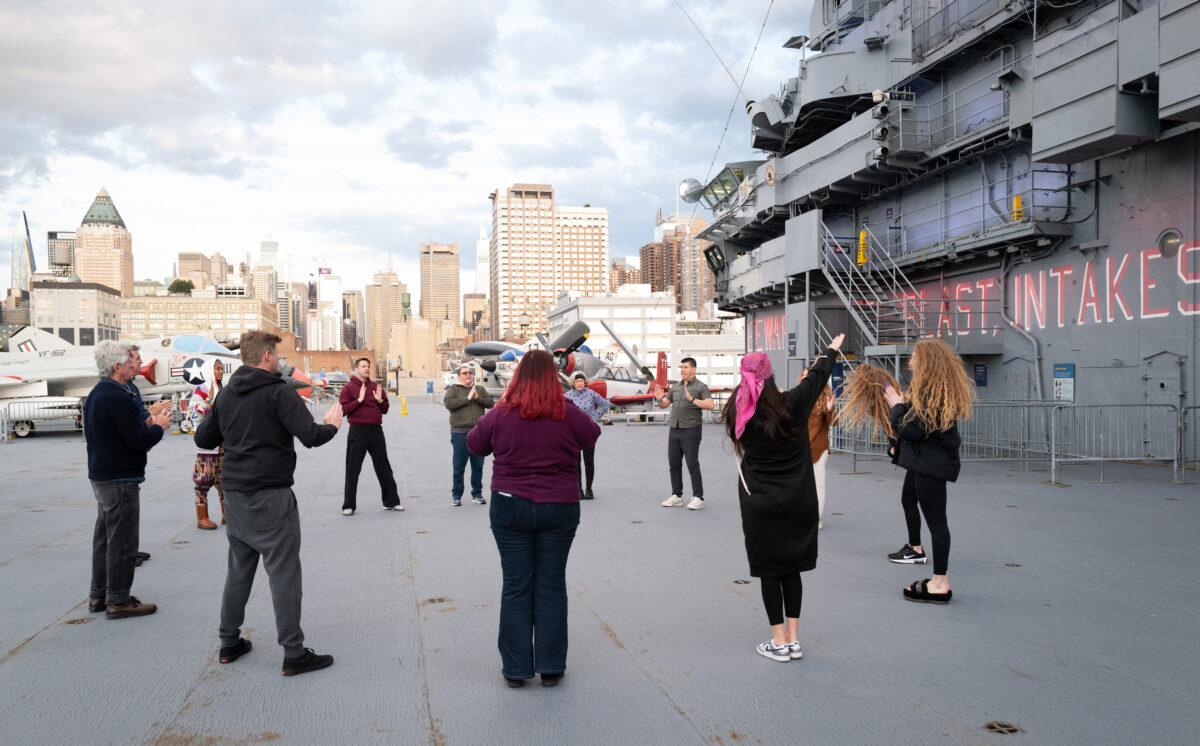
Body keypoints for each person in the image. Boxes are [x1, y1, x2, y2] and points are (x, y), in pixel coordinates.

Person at [195, 331, 344, 676]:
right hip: (271, 497)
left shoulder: (227, 394)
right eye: (276, 354)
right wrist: (331, 426)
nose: (279, 359)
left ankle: (229, 642)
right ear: (265, 356)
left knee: (238, 570)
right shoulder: (279, 392)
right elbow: (310, 437)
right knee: (284, 571)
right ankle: (294, 653)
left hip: (234, 496)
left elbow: (204, 438)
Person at [467, 350, 600, 688]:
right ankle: (551, 666)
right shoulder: (567, 413)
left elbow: (475, 444)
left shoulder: (501, 414)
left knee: (516, 586)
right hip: (559, 505)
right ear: (553, 379)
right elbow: (591, 436)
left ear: (518, 378)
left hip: (510, 505)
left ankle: (515, 669)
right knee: (552, 583)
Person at [722, 335, 843, 662]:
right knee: (792, 569)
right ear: (772, 375)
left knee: (770, 570)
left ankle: (778, 642)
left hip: (760, 503)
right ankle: (793, 639)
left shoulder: (739, 409)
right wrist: (830, 351)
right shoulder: (794, 401)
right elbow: (818, 378)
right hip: (799, 501)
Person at [84, 340, 173, 619]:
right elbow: (136, 440)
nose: (137, 363)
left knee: (105, 539)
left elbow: (126, 430)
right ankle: (119, 601)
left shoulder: (103, 393)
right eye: (131, 359)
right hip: (119, 479)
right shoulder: (115, 396)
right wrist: (158, 427)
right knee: (122, 541)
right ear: (117, 366)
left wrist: (149, 418)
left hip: (104, 476)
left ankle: (100, 596)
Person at [882, 338, 974, 605]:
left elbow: (911, 428)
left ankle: (939, 583)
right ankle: (928, 566)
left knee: (937, 523)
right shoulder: (934, 393)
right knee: (918, 506)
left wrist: (896, 406)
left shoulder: (931, 395)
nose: (910, 361)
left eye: (914, 357)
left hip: (930, 466)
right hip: (926, 462)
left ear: (925, 362)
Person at [338, 357, 403, 515]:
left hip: (375, 431)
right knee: (353, 469)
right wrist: (358, 400)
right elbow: (343, 410)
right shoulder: (348, 388)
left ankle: (391, 502)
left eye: (368, 366)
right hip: (357, 431)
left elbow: (385, 409)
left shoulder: (376, 386)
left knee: (383, 467)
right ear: (356, 369)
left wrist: (380, 400)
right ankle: (348, 505)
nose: (367, 369)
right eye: (363, 366)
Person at [655, 356, 714, 510]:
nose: (682, 370)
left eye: (685, 367)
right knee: (674, 463)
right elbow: (664, 405)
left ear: (693, 369)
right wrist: (660, 399)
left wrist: (692, 399)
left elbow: (710, 405)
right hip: (674, 429)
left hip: (691, 430)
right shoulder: (676, 388)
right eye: (681, 367)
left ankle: (698, 497)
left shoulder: (701, 387)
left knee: (692, 464)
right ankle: (676, 495)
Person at [443, 364, 494, 506]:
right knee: (459, 466)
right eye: (465, 373)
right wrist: (467, 399)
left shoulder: (479, 389)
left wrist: (477, 398)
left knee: (478, 466)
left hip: (478, 433)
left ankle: (477, 494)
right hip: (460, 433)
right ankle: (457, 495)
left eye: (470, 373)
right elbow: (448, 404)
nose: (468, 375)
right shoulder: (453, 389)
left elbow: (490, 404)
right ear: (459, 376)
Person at [188, 360, 225, 530]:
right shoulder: (201, 389)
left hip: (224, 444)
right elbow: (194, 414)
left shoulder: (223, 389)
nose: (220, 372)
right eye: (217, 368)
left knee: (225, 480)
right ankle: (202, 517)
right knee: (203, 481)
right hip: (208, 445)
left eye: (222, 368)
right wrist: (209, 398)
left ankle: (227, 514)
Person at [564, 371, 609, 499]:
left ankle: (589, 489)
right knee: (576, 462)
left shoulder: (591, 394)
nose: (580, 383)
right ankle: (578, 490)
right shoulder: (567, 396)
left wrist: (594, 418)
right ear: (573, 383)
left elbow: (605, 404)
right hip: (573, 434)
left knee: (589, 461)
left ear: (585, 382)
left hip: (588, 431)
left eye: (582, 381)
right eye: (578, 381)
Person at [806, 373, 837, 530]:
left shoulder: (825, 399)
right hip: (801, 449)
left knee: (818, 484)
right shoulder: (801, 398)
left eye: (809, 376)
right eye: (805, 376)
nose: (807, 379)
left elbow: (834, 421)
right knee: (800, 485)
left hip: (818, 448)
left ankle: (816, 518)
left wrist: (829, 410)